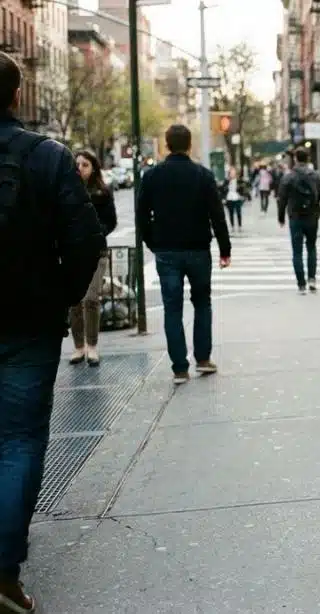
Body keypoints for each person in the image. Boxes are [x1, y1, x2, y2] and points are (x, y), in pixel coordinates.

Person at [0, 51, 106, 613]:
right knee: (17, 441)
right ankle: (3, 574)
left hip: (30, 319)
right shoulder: (47, 157)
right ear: (17, 95)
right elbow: (86, 239)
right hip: (27, 322)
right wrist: (58, 296)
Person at [137, 125, 231, 385]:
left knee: (172, 308)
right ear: (190, 145)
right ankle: (202, 359)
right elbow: (217, 215)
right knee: (202, 303)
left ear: (166, 145)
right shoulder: (203, 175)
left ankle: (179, 367)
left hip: (166, 250)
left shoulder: (152, 176)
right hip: (199, 249)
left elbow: (141, 215)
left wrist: (152, 242)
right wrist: (225, 249)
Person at [68, 150, 117, 367]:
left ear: (93, 168)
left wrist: (96, 234)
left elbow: (111, 221)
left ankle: (92, 346)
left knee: (91, 298)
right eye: (77, 164)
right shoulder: (65, 190)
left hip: (96, 252)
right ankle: (78, 346)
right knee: (74, 301)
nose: (80, 167)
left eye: (85, 164)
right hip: (72, 252)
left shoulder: (102, 193)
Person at [277, 148, 320, 295]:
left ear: (295, 159)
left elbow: (281, 199)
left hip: (295, 218)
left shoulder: (288, 178)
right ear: (308, 159)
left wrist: (281, 217)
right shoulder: (316, 176)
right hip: (312, 217)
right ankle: (312, 279)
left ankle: (301, 285)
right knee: (311, 248)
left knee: (297, 252)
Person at [220, 166, 247, 232]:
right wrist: (223, 198)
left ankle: (240, 226)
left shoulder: (239, 180)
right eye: (231, 173)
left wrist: (243, 196)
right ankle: (232, 226)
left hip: (237, 198)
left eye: (234, 173)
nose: (232, 174)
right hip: (229, 198)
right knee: (230, 213)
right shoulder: (226, 181)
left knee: (238, 212)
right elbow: (222, 190)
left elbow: (244, 189)